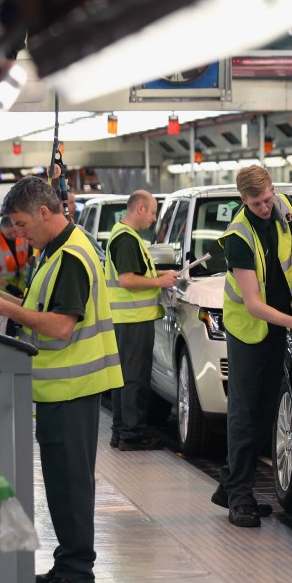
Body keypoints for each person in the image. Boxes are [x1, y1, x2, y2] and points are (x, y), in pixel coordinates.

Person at [0, 176, 123, 583]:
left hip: (73, 387)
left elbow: (60, 326)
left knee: (71, 485)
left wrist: (8, 309)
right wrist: (5, 303)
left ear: (43, 212)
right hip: (63, 389)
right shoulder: (56, 251)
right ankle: (67, 563)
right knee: (62, 483)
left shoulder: (70, 256)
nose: (19, 234)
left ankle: (77, 574)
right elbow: (43, 311)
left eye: (22, 224)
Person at [212, 165, 292, 528]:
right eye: (257, 202)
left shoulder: (284, 208)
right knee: (244, 414)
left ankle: (230, 484)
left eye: (268, 197)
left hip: (277, 325)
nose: (266, 206)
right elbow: (253, 304)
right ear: (242, 200)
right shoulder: (238, 238)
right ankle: (240, 499)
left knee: (264, 412)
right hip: (248, 330)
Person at [105, 190, 177, 451]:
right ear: (139, 209)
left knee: (124, 378)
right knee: (134, 378)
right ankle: (132, 435)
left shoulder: (126, 236)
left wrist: (160, 273)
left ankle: (121, 431)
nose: (154, 218)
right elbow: (127, 280)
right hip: (132, 319)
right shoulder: (125, 239)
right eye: (154, 212)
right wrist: (160, 281)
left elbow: (135, 272)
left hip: (127, 319)